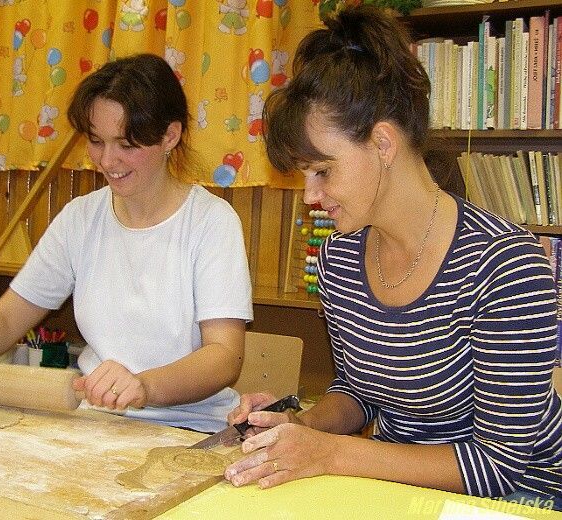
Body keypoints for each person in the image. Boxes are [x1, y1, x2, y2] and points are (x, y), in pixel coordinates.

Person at [223, 5, 562, 509]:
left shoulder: (506, 266)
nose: (310, 196)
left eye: (322, 171)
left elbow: (497, 464)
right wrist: (297, 426)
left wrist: (330, 454)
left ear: (383, 143)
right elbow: (358, 393)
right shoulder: (339, 257)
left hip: (522, 494)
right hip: (396, 487)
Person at [0, 53, 253, 433]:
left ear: (170, 136)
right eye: (96, 141)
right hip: (97, 422)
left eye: (126, 144)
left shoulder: (211, 221)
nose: (108, 160)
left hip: (189, 427)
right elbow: (8, 317)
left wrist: (144, 387)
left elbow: (224, 355)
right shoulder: (81, 218)